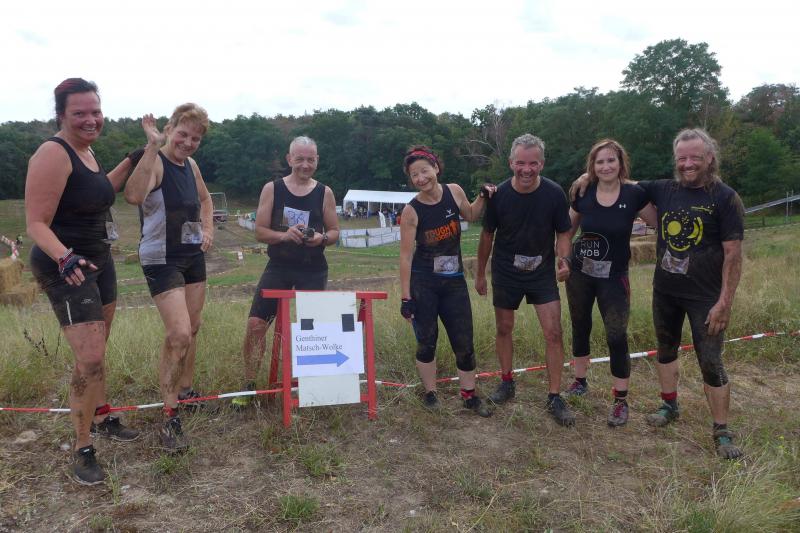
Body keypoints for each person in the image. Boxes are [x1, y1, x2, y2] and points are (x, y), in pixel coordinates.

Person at [571, 129, 745, 458]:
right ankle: (669, 406)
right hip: (665, 289)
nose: (688, 163)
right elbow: (620, 180)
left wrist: (724, 302)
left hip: (705, 296)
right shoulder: (664, 189)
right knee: (665, 350)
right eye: (682, 158)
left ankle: (722, 430)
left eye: (695, 157)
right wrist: (586, 175)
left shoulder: (725, 198)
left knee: (710, 361)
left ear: (710, 157)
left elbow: (733, 255)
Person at [25, 78, 140, 485]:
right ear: (61, 115)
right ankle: (82, 446)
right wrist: (65, 256)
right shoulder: (53, 153)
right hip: (65, 265)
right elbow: (35, 223)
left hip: (98, 261)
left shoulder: (87, 152)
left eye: (96, 111)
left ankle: (102, 415)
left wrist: (134, 158)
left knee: (98, 349)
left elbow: (101, 189)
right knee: (89, 358)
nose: (91, 120)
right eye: (80, 113)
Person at [124, 104, 214, 452]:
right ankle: (169, 415)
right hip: (161, 258)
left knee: (193, 327)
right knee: (178, 333)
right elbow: (133, 195)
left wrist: (208, 229)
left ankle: (186, 391)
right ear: (169, 129)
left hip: (192, 255)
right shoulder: (157, 161)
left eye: (195, 138)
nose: (188, 143)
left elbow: (205, 199)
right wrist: (151, 146)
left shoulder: (192, 165)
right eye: (183, 134)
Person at [475, 133, 576, 426]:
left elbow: (564, 233)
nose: (527, 169)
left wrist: (564, 260)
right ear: (511, 163)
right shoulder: (499, 195)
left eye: (533, 163)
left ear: (542, 163)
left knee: (553, 332)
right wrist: (480, 274)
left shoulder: (554, 193)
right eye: (521, 163)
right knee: (504, 328)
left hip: (541, 272)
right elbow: (487, 236)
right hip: (506, 271)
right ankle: (507, 382)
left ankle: (554, 396)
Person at [232, 136, 339, 407]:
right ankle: (249, 385)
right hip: (279, 265)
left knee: (312, 330)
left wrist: (322, 238)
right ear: (289, 159)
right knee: (256, 324)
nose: (305, 165)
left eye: (310, 159)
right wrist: (284, 236)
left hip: (313, 268)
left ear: (317, 160)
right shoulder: (273, 189)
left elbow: (335, 231)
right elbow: (259, 231)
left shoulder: (324, 192)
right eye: (299, 159)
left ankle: (311, 388)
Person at [563, 139, 655, 427]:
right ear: (592, 165)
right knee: (580, 325)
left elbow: (659, 222)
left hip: (614, 277)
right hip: (580, 273)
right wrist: (562, 260)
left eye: (611, 160)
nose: (606, 166)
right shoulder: (583, 191)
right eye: (600, 161)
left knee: (616, 335)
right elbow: (566, 231)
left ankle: (620, 400)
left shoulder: (634, 193)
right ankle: (579, 381)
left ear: (620, 162)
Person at [398, 145, 494, 416]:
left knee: (464, 341)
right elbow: (405, 257)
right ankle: (430, 394)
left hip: (454, 282)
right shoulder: (411, 210)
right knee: (426, 341)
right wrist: (405, 298)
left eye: (424, 171)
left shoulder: (454, 191)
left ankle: (469, 395)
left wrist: (482, 196)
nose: (420, 178)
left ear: (436, 168)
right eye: (414, 175)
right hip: (424, 283)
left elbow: (471, 214)